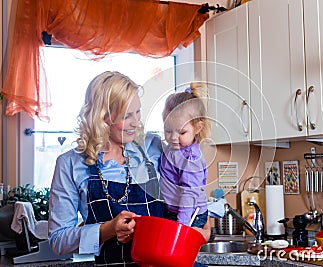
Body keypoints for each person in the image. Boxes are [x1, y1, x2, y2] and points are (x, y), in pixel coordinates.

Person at [48, 71, 210, 266]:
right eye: (127, 115)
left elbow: (194, 202)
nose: (136, 122)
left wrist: (196, 228)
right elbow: (58, 241)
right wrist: (108, 229)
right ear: (102, 117)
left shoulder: (154, 147)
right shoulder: (70, 164)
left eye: (138, 112)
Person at [160, 83, 211, 228]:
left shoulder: (191, 159)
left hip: (190, 215)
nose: (173, 137)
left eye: (181, 132)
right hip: (174, 211)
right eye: (168, 131)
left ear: (197, 128)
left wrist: (182, 223)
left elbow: (189, 193)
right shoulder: (171, 149)